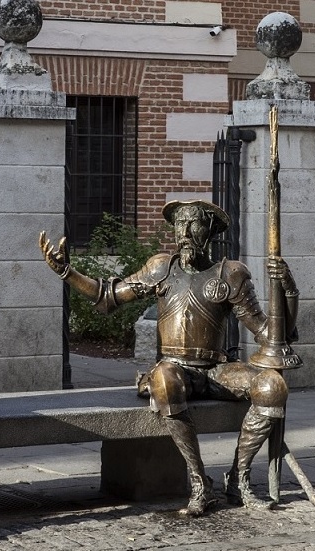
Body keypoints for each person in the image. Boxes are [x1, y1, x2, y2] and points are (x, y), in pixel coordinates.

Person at [39, 199, 298, 516]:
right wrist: (67, 272)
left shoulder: (230, 275)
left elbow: (271, 335)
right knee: (164, 379)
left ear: (211, 231)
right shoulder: (161, 268)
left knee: (271, 386)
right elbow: (108, 296)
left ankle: (238, 478)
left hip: (216, 369)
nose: (185, 233)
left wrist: (289, 290)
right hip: (174, 369)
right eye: (180, 224)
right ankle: (200, 482)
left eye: (194, 224)